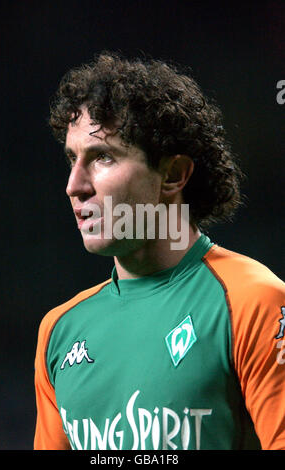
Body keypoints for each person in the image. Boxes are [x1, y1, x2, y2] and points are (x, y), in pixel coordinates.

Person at [34, 52, 285, 450]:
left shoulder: (253, 301)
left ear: (172, 174)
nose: (74, 185)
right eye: (71, 159)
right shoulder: (59, 331)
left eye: (102, 157)